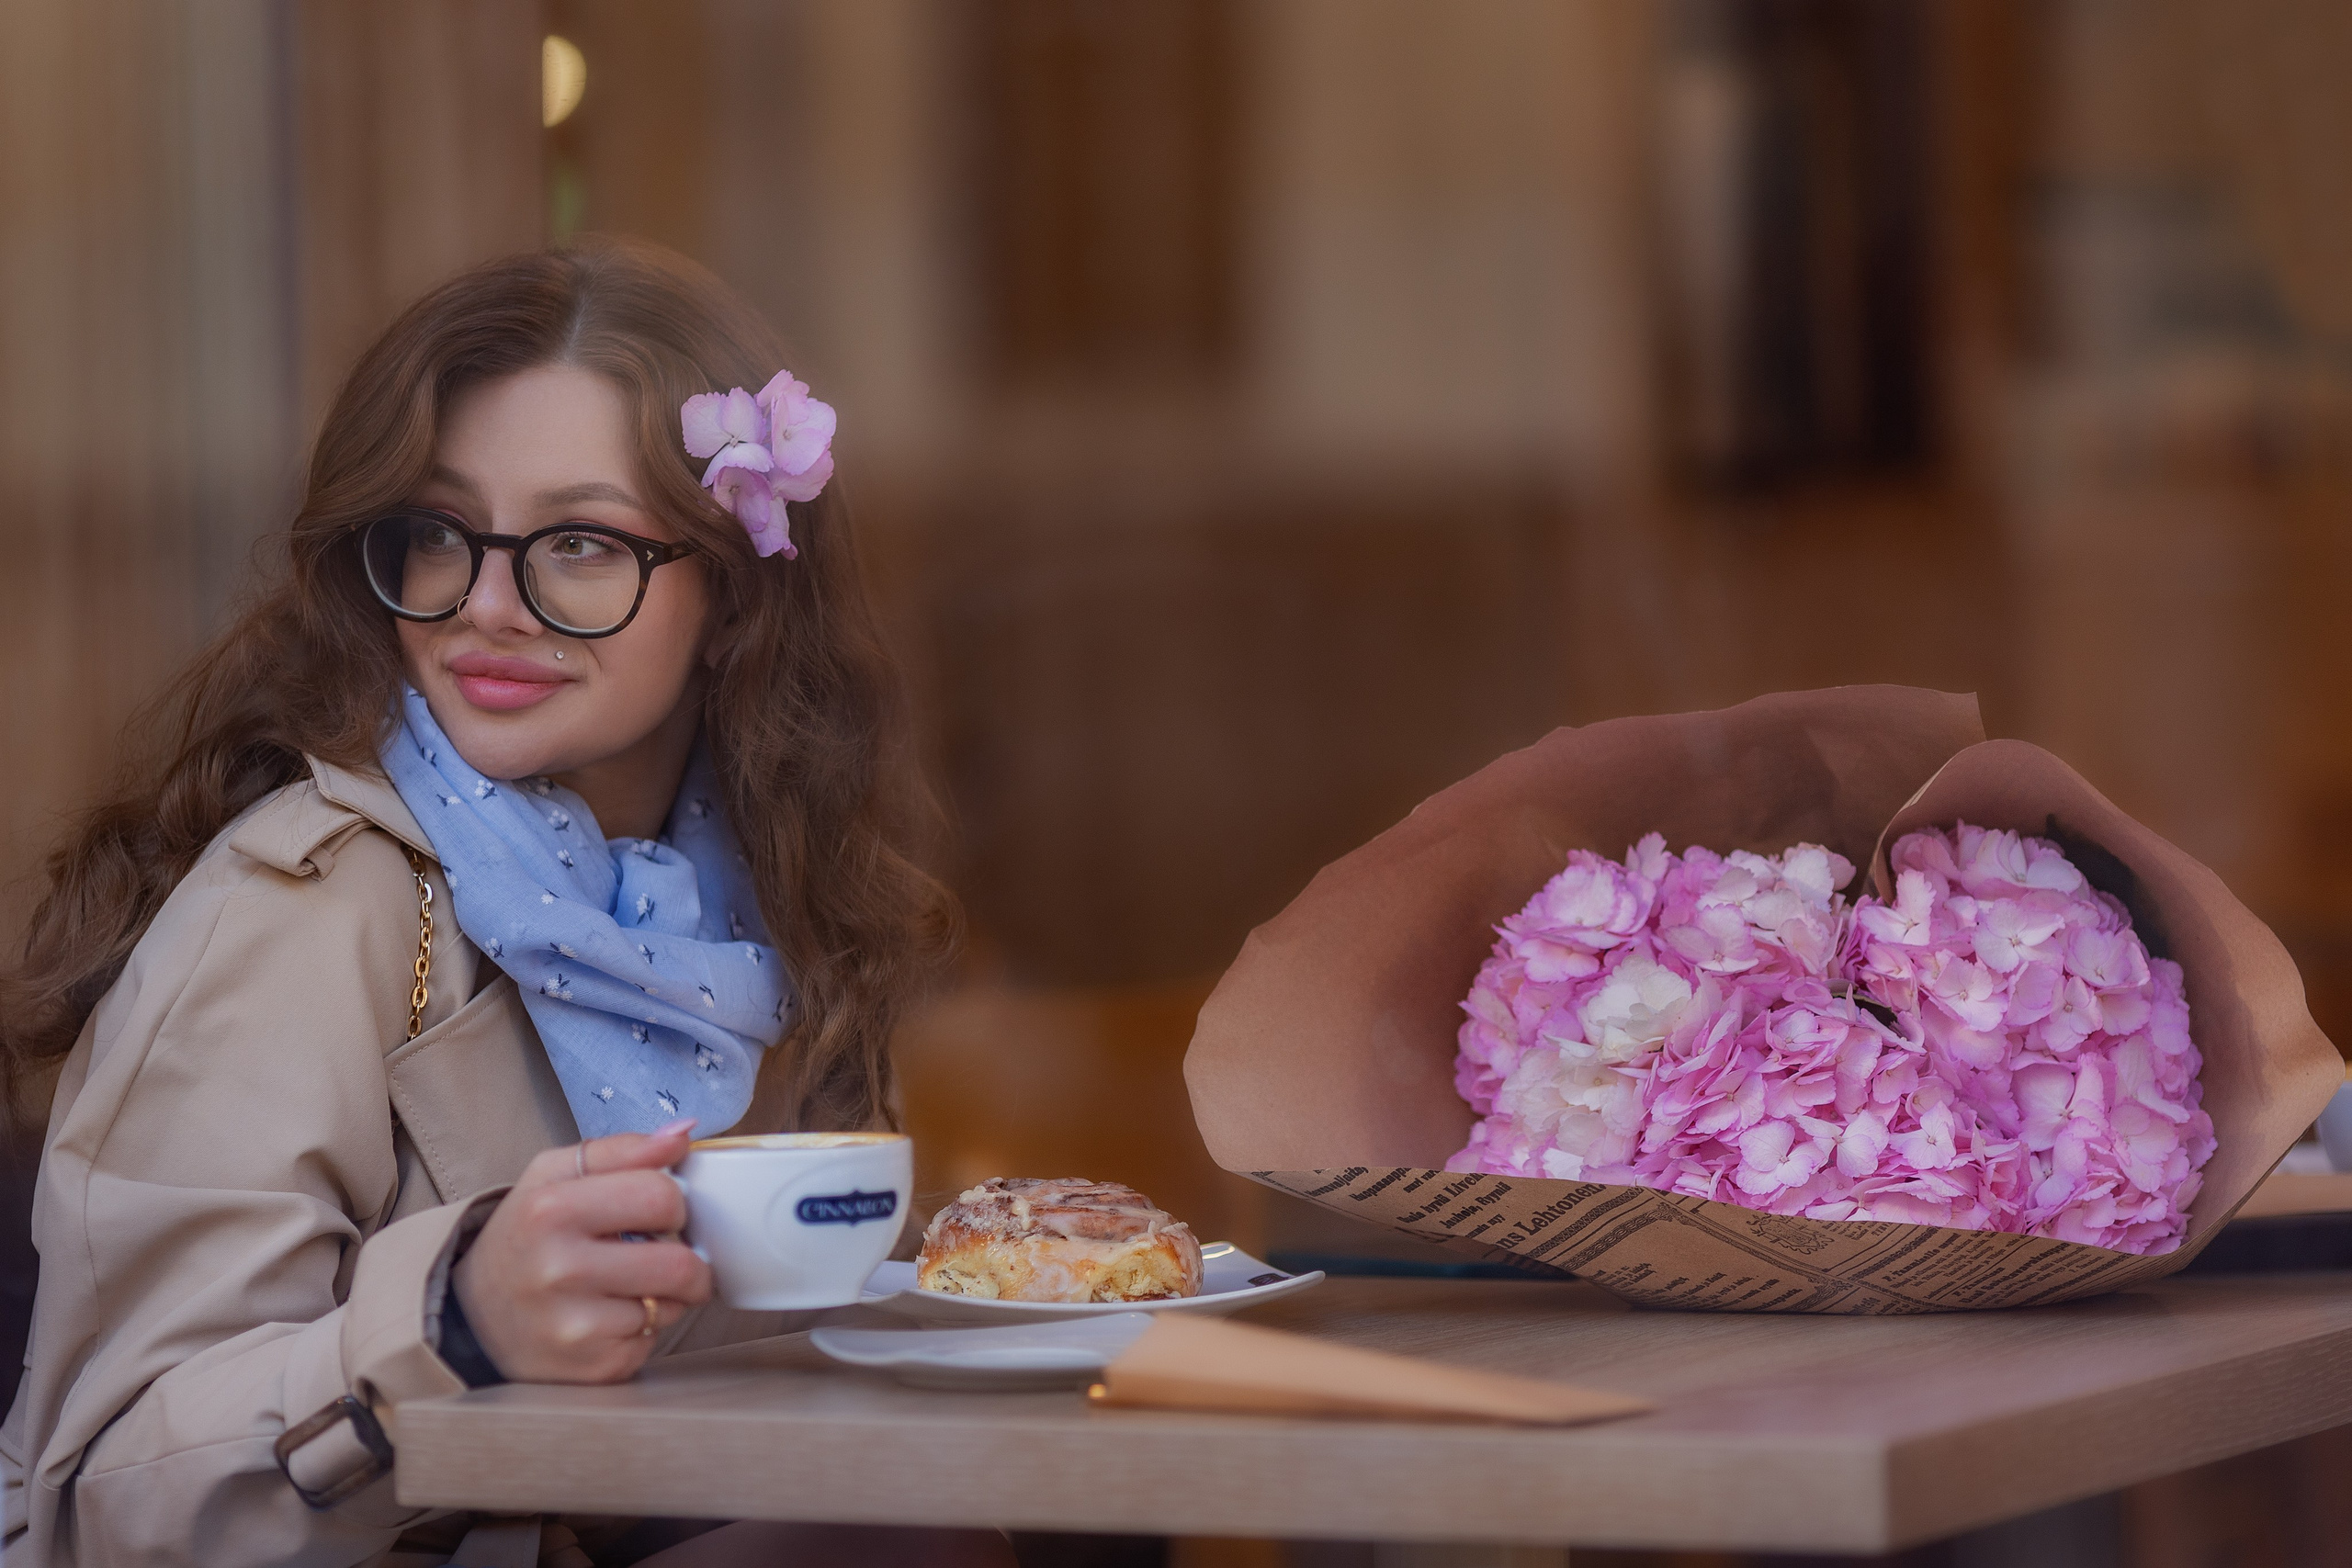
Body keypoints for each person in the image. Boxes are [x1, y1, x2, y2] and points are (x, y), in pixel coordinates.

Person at [0, 238, 1001, 1567]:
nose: (484, 608)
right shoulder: (308, 904)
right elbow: (106, 1502)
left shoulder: (756, 904)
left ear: (733, 595)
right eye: (438, 535)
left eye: (577, 543)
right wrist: (454, 1320)